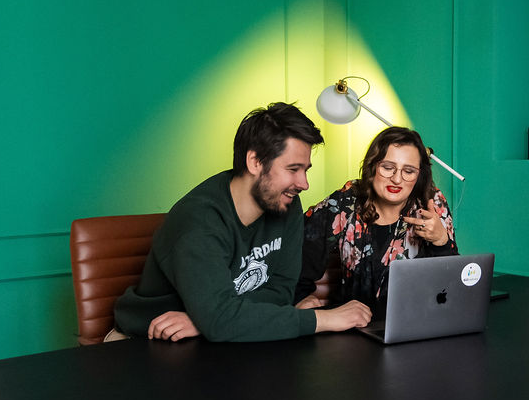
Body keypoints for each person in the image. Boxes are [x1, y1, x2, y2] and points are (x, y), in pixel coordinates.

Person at [113, 102, 372, 342]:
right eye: (293, 169)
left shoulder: (285, 203)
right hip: (144, 342)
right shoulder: (199, 220)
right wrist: (324, 319)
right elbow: (220, 320)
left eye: (305, 170)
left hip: (215, 337)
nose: (304, 184)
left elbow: (282, 291)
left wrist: (211, 319)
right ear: (255, 162)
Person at [294, 126, 458, 318]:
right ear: (372, 166)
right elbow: (294, 250)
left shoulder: (432, 203)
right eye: (387, 168)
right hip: (354, 326)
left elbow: (453, 286)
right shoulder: (344, 202)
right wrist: (301, 297)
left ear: (419, 174)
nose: (397, 179)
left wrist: (441, 241)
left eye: (409, 171)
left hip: (419, 321)